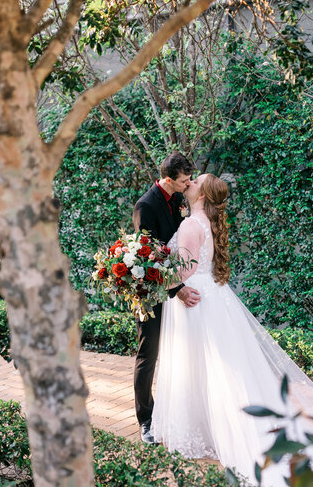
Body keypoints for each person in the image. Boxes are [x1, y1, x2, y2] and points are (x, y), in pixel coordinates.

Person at [152, 173, 313, 486]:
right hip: (211, 297)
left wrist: (154, 271)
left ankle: (208, 429)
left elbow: (185, 269)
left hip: (193, 298)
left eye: (195, 182)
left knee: (201, 365)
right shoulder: (208, 223)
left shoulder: (192, 225)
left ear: (202, 195)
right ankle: (209, 426)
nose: (189, 183)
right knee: (213, 367)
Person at [132, 152, 201, 444]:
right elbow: (147, 259)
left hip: (173, 288)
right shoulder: (145, 205)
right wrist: (177, 290)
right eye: (185, 181)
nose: (189, 184)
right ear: (169, 178)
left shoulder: (178, 199)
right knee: (149, 355)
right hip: (150, 293)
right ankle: (146, 420)